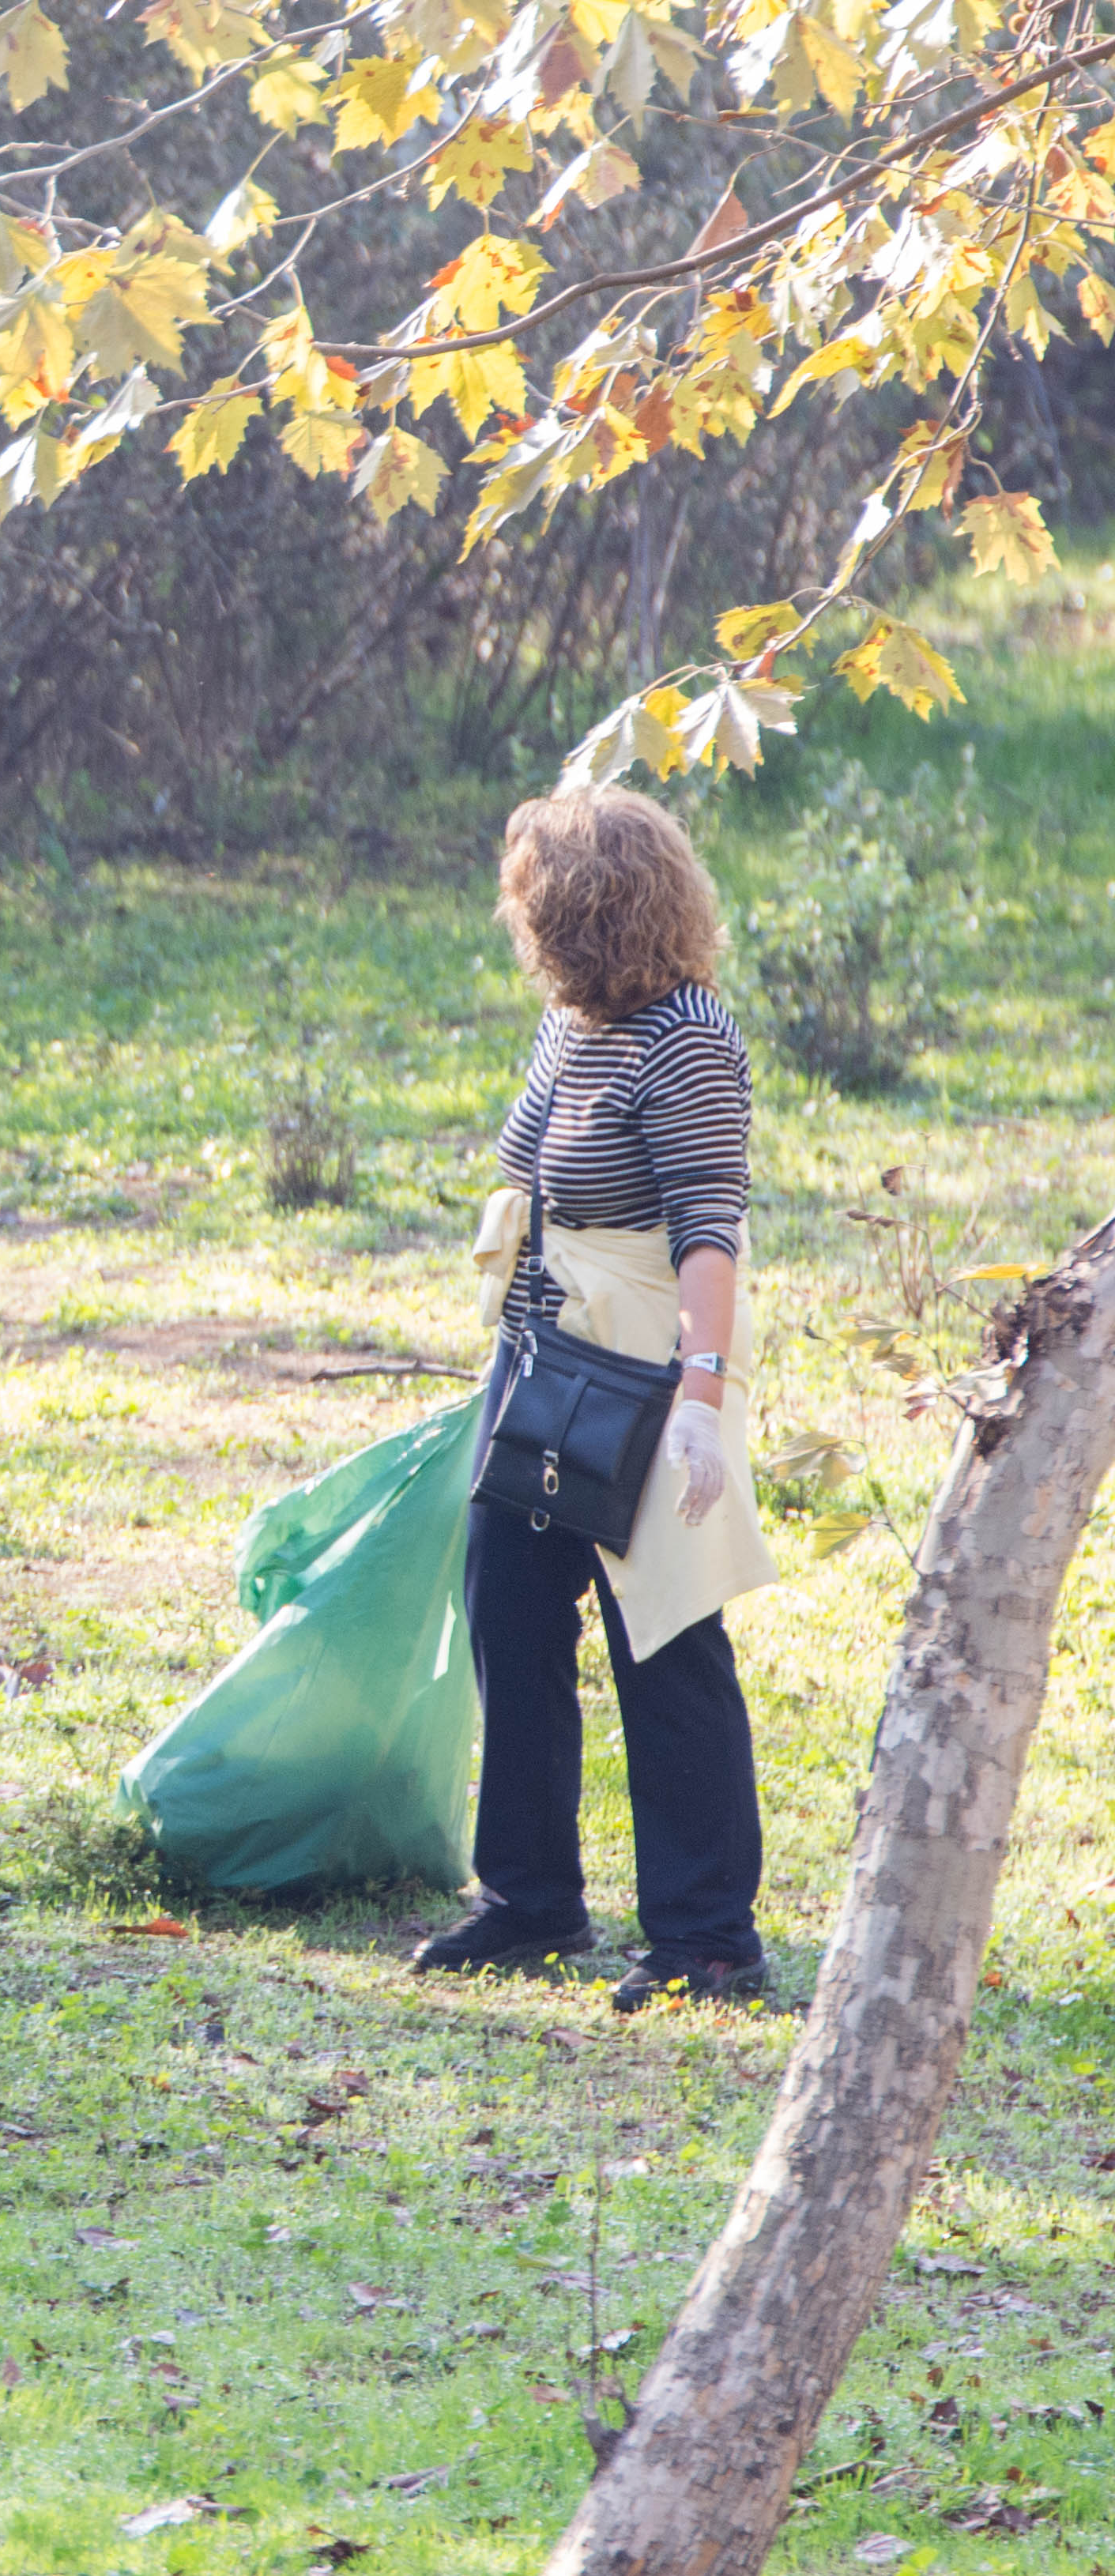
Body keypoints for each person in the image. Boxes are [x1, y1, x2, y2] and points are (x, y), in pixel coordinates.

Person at [409, 787, 785, 2014]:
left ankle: (708, 1937)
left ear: (584, 910)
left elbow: (707, 1230)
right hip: (545, 1367)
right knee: (510, 1609)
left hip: (647, 1368)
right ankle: (529, 1901)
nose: (522, 928)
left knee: (665, 1644)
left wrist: (701, 1396)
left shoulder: (686, 1038)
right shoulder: (571, 1027)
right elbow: (536, 1190)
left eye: (534, 905)